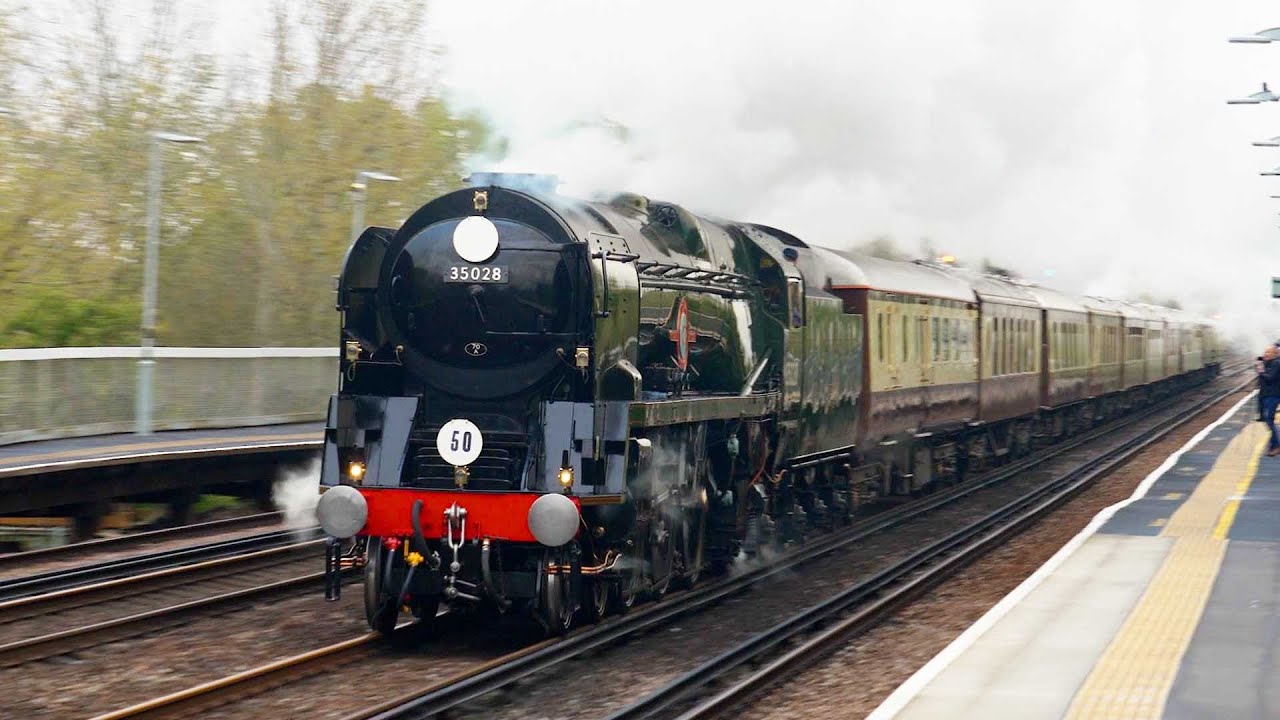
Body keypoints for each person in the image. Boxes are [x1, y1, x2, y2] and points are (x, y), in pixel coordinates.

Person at [1259, 346, 1280, 456]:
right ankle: (1274, 445)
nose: (1265, 354)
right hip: (1269, 395)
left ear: (1274, 354)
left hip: (1273, 395)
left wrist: (1261, 371)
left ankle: (1276, 446)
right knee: (1268, 420)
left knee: (1269, 420)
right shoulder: (1271, 363)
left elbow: (1270, 378)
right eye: (1265, 351)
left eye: (1268, 352)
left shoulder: (1276, 363)